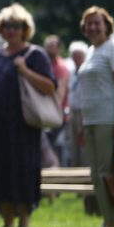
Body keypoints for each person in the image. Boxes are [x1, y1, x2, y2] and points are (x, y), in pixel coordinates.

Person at [0, 4, 56, 227]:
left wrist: (24, 70)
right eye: (6, 25)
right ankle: (7, 220)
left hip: (23, 127)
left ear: (25, 29)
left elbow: (50, 87)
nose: (11, 30)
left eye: (16, 26)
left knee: (22, 170)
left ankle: (24, 220)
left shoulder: (35, 55)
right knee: (0, 170)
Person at [77, 6, 114, 227]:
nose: (93, 27)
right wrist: (81, 122)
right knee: (96, 174)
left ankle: (112, 219)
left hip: (108, 120)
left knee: (106, 173)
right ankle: (110, 216)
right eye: (89, 23)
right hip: (90, 120)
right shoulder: (90, 51)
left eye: (97, 22)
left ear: (107, 25)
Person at [42, 34, 71, 167]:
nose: (49, 49)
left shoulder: (60, 67)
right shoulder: (45, 65)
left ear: (58, 48)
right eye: (48, 46)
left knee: (52, 147)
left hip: (55, 114)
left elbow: (59, 95)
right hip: (46, 112)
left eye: (52, 46)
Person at [66, 40, 89, 167]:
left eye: (79, 55)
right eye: (74, 56)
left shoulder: (87, 72)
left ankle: (85, 170)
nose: (76, 58)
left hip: (83, 111)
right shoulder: (71, 72)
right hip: (73, 111)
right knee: (73, 144)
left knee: (83, 143)